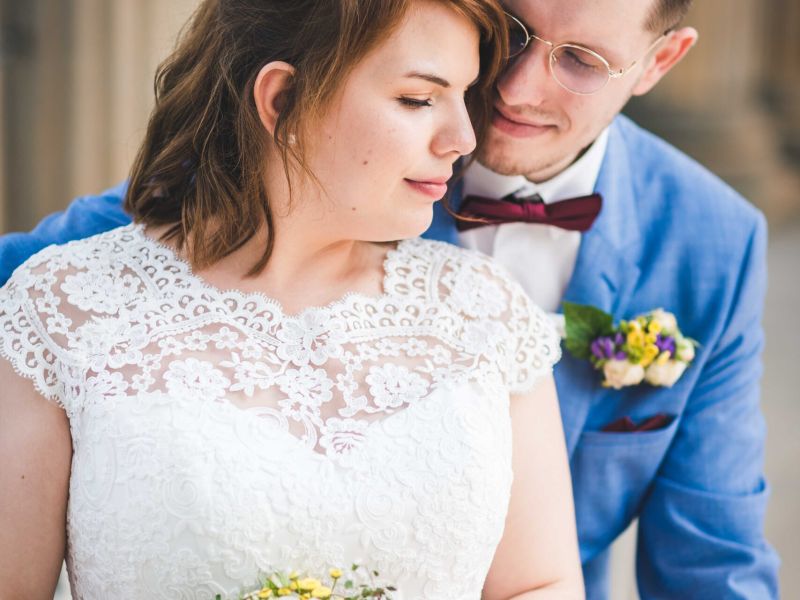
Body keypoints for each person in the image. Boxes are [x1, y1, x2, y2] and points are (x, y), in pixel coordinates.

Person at [0, 0, 781, 599]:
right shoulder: (117, 268)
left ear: (659, 60)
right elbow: (82, 287)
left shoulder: (710, 240)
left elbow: (714, 560)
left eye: (579, 60)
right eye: (509, 29)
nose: (510, 89)